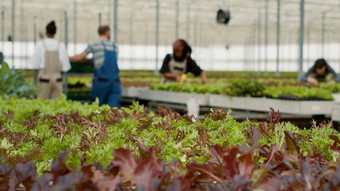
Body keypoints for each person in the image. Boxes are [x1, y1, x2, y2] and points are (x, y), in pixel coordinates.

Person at [70, 25, 121, 108]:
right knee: (114, 110)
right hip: (115, 82)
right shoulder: (114, 46)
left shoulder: (94, 45)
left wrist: (68, 58)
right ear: (107, 32)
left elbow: (79, 57)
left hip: (102, 81)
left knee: (96, 107)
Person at [29, 21, 71, 99]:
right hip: (57, 78)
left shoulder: (40, 44)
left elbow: (35, 65)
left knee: (42, 104)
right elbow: (65, 67)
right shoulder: (61, 45)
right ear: (55, 32)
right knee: (56, 105)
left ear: (46, 32)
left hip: (43, 79)